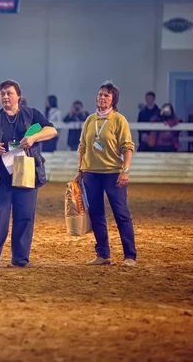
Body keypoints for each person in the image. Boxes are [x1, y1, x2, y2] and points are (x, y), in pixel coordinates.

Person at [0, 80, 57, 267]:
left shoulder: (32, 114)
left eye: (9, 93)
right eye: (2, 94)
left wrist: (33, 138)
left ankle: (20, 259)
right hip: (1, 179)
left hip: (27, 176)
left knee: (25, 217)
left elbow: (51, 130)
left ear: (18, 96)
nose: (5, 97)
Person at [75, 80, 136, 267]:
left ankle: (130, 256)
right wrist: (80, 170)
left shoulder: (119, 120)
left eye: (106, 95)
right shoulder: (90, 120)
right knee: (96, 214)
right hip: (91, 174)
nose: (102, 97)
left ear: (113, 100)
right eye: (100, 94)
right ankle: (103, 254)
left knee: (121, 214)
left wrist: (125, 170)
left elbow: (127, 147)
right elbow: (82, 147)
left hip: (112, 174)